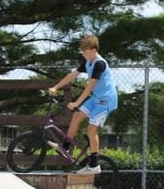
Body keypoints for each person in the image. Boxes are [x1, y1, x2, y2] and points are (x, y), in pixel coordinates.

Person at [47, 34, 118, 173]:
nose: (84, 55)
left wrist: (77, 102)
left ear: (94, 50)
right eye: (82, 52)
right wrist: (56, 87)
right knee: (76, 117)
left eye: (85, 52)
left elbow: (90, 86)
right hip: (96, 98)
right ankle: (65, 147)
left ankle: (95, 165)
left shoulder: (99, 63)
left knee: (91, 130)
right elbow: (72, 75)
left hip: (106, 100)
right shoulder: (88, 62)